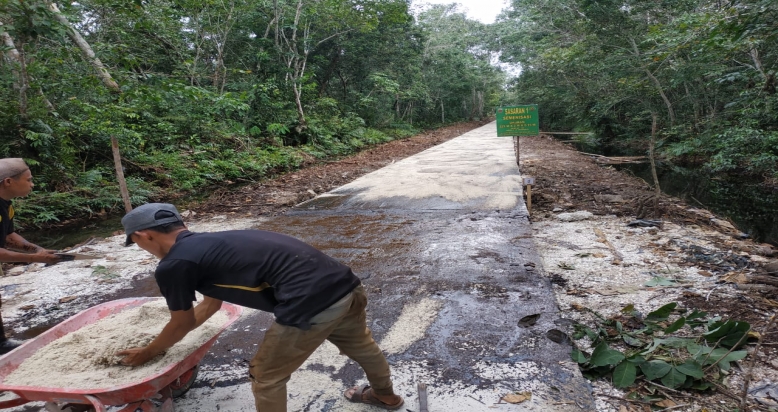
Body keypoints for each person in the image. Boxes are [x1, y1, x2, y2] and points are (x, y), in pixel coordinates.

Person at [117, 203, 404, 411]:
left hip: (310, 303)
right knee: (363, 347)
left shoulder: (174, 265)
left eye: (136, 242)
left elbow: (180, 322)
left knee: (266, 376)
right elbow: (210, 305)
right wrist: (180, 337)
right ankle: (385, 396)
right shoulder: (211, 244)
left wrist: (148, 352)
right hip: (346, 286)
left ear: (143, 235)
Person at [0, 158, 61, 355]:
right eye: (29, 180)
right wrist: (35, 259)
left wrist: (36, 249)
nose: (32, 184)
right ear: (8, 181)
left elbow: (8, 235)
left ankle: (1, 345)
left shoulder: (6, 205)